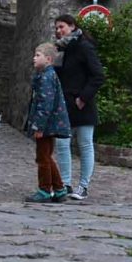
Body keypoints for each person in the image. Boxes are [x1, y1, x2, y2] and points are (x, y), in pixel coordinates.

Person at [53, 14, 105, 201]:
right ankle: (66, 184)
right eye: (57, 28)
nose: (59, 31)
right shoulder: (60, 49)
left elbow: (98, 75)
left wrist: (83, 97)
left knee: (84, 144)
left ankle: (83, 186)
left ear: (72, 26)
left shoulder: (84, 46)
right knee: (62, 144)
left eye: (62, 27)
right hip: (64, 105)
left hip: (82, 104)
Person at [24, 42, 71, 203]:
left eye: (38, 55)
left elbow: (45, 104)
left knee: (43, 157)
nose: (34, 58)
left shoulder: (46, 77)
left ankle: (45, 189)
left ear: (49, 59)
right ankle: (59, 189)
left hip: (47, 125)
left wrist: (38, 126)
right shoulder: (45, 75)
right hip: (50, 124)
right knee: (46, 156)